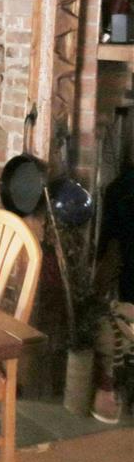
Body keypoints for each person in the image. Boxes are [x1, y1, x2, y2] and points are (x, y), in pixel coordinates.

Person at [91, 161, 134, 423]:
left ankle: (109, 385)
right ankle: (109, 384)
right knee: (114, 324)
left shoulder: (121, 187)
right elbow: (111, 250)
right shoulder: (122, 188)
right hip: (128, 295)